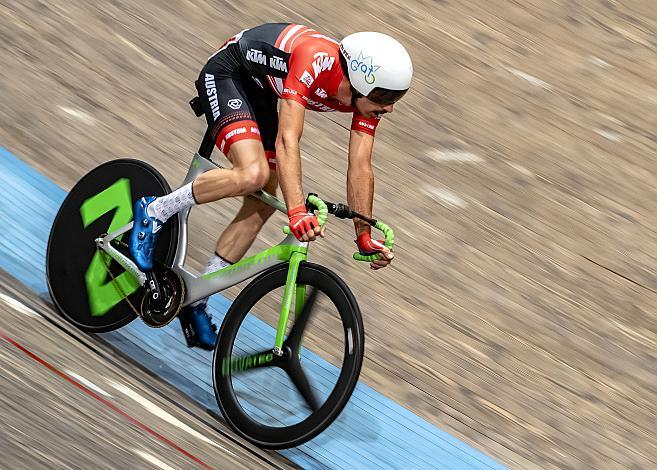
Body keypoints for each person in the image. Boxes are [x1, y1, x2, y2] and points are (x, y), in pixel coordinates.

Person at [129, 23, 413, 349]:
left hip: (262, 92)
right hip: (230, 73)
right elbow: (288, 139)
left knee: (263, 202)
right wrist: (295, 211)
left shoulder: (368, 100)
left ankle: (196, 298)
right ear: (362, 82)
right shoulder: (314, 59)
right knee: (253, 174)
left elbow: (361, 167)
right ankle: (154, 210)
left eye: (396, 98)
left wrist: (363, 234)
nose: (389, 107)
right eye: (386, 97)